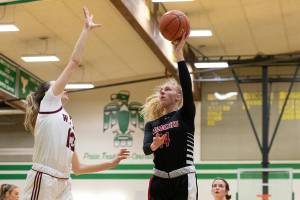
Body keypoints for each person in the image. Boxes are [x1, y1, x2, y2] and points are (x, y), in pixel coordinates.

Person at [22, 6, 129, 200]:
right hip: (44, 177)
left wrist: (111, 163)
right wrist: (86, 30)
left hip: (64, 181)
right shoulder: (49, 103)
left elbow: (78, 168)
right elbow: (73, 63)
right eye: (57, 83)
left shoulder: (67, 120)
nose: (64, 85)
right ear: (48, 93)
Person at [142, 33, 197, 200]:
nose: (162, 91)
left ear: (178, 97)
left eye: (167, 89)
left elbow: (187, 86)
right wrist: (154, 145)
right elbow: (145, 149)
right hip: (159, 180)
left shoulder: (185, 114)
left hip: (183, 178)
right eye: (161, 90)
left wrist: (179, 54)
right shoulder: (152, 124)